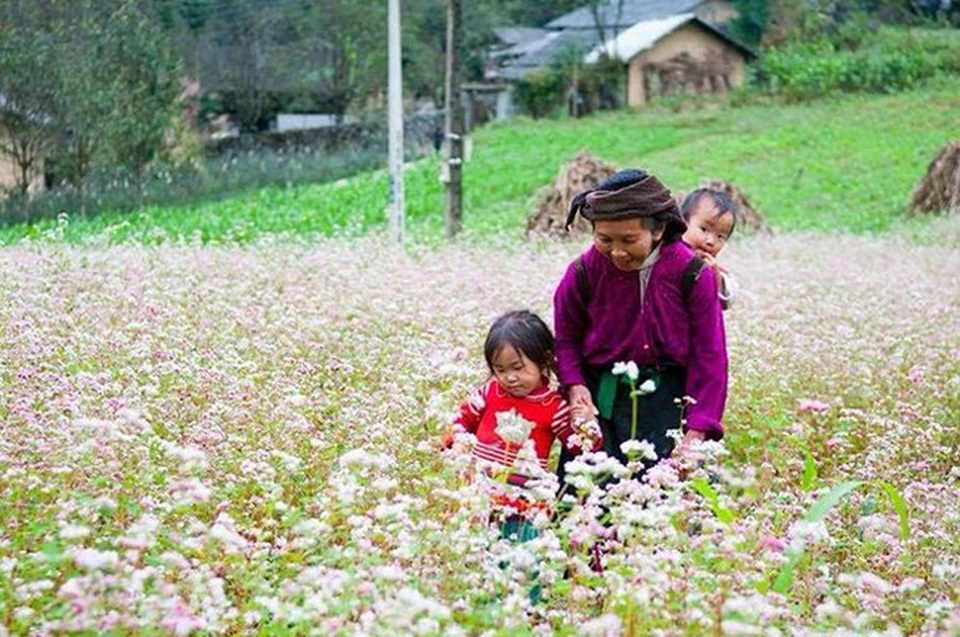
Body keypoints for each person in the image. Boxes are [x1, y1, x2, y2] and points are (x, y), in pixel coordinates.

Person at [553, 169, 728, 487]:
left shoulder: (692, 273)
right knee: (586, 516)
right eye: (605, 239)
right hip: (600, 407)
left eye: (628, 240)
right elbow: (565, 340)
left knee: (666, 513)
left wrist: (697, 432)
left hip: (668, 407)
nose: (617, 252)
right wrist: (576, 390)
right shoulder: (582, 272)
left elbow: (710, 355)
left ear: (659, 229)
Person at [441, 309, 599, 528]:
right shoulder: (489, 392)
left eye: (517, 368)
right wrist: (456, 442)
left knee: (520, 554)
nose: (510, 378)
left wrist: (586, 423)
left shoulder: (553, 406)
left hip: (524, 503)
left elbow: (579, 447)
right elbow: (461, 419)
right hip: (478, 496)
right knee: (474, 552)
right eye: (500, 369)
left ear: (543, 359)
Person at [681, 188, 739, 310]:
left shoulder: (712, 268)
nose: (711, 241)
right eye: (704, 229)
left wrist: (716, 279)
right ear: (683, 223)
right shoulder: (666, 253)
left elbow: (728, 299)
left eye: (720, 237)